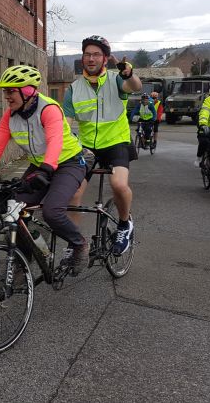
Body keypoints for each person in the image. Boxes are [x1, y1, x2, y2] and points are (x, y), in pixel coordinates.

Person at [0, 65, 90, 274]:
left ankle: (79, 245)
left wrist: (46, 170)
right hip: (40, 165)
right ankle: (27, 259)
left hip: (68, 163)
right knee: (12, 207)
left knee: (52, 210)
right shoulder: (11, 115)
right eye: (5, 91)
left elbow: (55, 141)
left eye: (11, 90)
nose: (6, 96)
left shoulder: (49, 109)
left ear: (28, 90)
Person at [61, 35, 142, 256]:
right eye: (87, 54)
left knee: (118, 184)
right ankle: (74, 243)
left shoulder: (116, 79)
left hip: (116, 142)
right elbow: (65, 125)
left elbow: (135, 87)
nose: (91, 58)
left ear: (105, 59)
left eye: (96, 54)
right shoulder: (74, 88)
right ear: (82, 58)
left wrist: (129, 74)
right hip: (87, 147)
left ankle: (125, 224)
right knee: (72, 193)